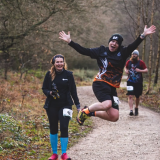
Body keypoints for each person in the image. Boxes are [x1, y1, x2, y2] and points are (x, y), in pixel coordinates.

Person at [59, 25, 156, 126]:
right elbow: (84, 51)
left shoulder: (123, 52)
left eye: (117, 43)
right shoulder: (101, 51)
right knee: (107, 104)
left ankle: (91, 112)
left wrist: (143, 35)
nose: (114, 43)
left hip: (112, 87)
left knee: (114, 116)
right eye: (112, 41)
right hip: (100, 83)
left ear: (119, 45)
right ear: (109, 42)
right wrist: (70, 42)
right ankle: (84, 112)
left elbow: (133, 45)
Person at [42, 54, 80, 160]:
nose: (59, 63)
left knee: (64, 127)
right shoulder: (49, 74)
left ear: (64, 63)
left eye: (61, 61)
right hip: (52, 105)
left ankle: (64, 154)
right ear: (54, 63)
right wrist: (49, 92)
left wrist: (78, 106)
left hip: (66, 104)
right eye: (57, 62)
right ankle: (54, 154)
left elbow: (73, 91)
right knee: (53, 128)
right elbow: (44, 88)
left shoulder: (69, 75)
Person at [125, 50, 148, 116]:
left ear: (137, 55)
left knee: (137, 96)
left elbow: (146, 70)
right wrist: (126, 71)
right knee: (130, 95)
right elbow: (125, 67)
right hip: (130, 81)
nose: (134, 55)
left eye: (135, 54)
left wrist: (139, 70)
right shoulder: (128, 62)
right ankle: (131, 110)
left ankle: (136, 108)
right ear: (131, 55)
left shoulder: (141, 62)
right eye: (133, 54)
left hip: (138, 82)